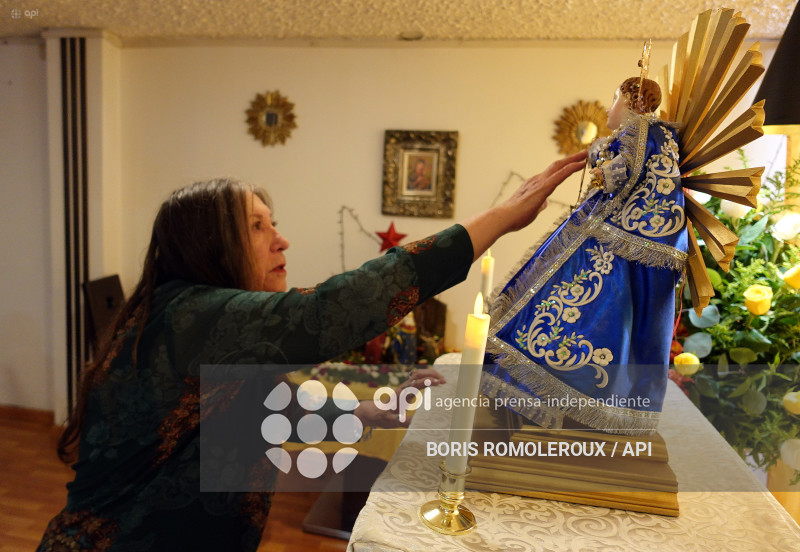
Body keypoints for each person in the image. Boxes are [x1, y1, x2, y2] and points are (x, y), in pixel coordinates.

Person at [38, 151, 585, 551]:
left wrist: (369, 411)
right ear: (210, 245)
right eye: (257, 227)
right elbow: (328, 311)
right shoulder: (192, 313)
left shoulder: (211, 324)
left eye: (274, 223)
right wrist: (497, 220)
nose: (281, 240)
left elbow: (252, 415)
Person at [482, 75, 688, 434]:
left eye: (614, 100)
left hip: (613, 242)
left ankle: (551, 393)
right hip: (616, 232)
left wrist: (601, 171)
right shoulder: (658, 135)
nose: (611, 109)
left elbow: (624, 172)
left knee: (578, 306)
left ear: (631, 103)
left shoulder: (641, 131)